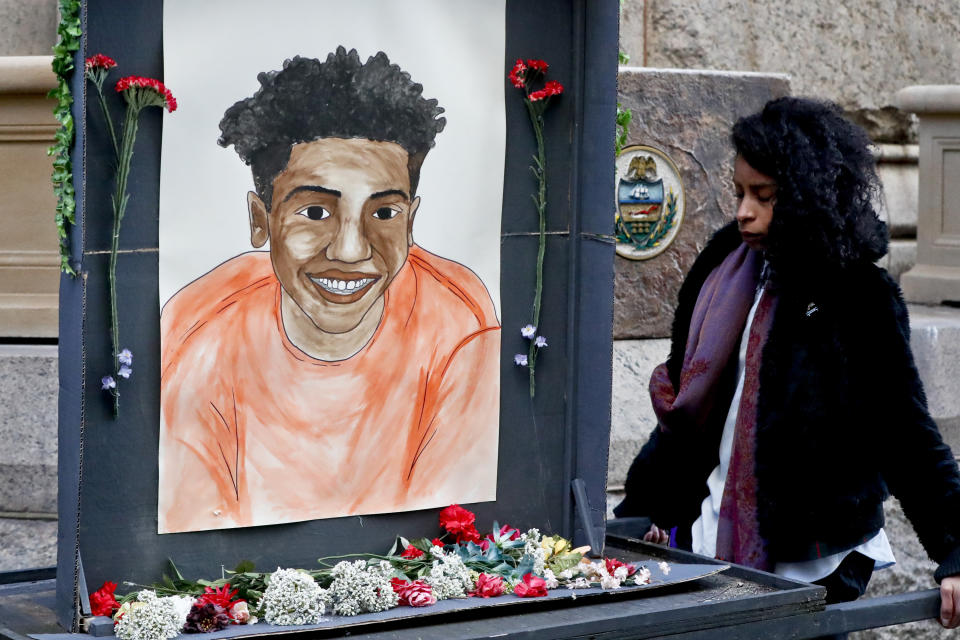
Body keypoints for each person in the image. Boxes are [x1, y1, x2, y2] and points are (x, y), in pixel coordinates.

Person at [614, 97, 960, 632]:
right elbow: (693, 409)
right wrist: (638, 512)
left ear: (805, 197)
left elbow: (905, 433)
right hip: (708, 539)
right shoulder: (727, 267)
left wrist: (954, 552)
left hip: (816, 556)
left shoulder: (858, 295)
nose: (743, 211)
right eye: (739, 193)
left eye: (764, 196)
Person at [158, 48, 500, 534]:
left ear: (412, 220)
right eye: (315, 212)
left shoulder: (460, 321)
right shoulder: (196, 330)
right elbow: (191, 531)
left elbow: (454, 517)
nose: (351, 249)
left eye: (384, 214)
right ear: (262, 221)